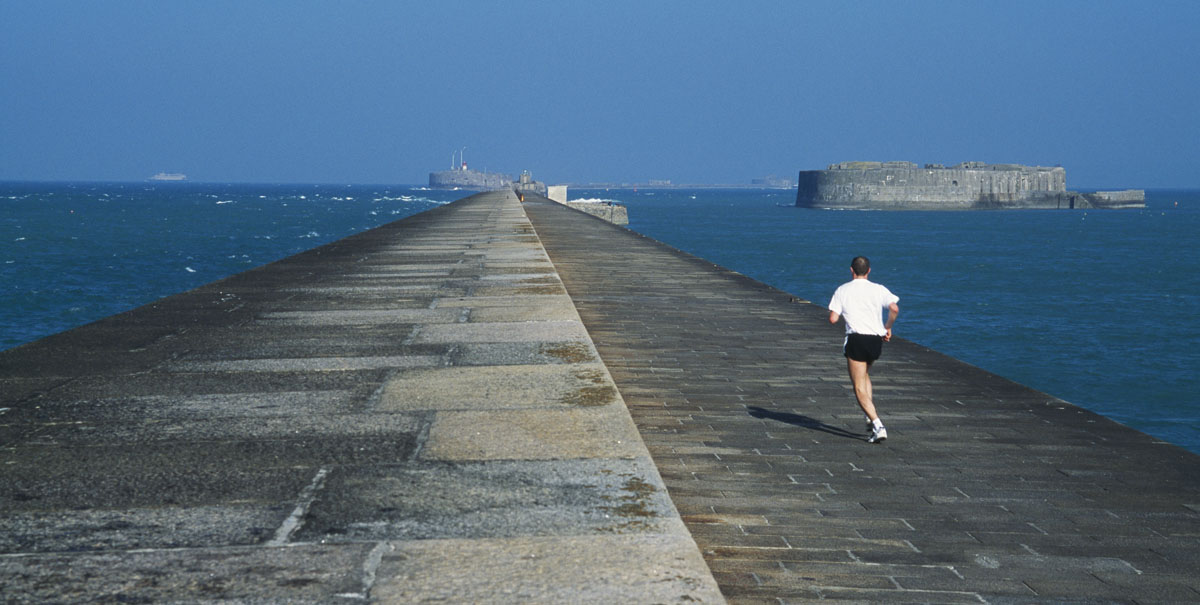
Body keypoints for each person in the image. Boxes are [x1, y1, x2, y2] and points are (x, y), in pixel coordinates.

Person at [828, 256, 899, 443]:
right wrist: (888, 326)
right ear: (868, 271)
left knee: (858, 386)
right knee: (865, 374)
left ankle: (877, 425)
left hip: (857, 339)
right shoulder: (879, 289)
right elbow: (894, 308)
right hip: (876, 341)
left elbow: (833, 319)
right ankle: (869, 415)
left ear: (851, 270)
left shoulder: (843, 290)